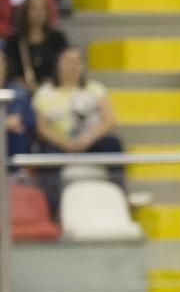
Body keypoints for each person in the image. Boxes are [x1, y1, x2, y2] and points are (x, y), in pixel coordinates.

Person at [32, 47, 124, 213]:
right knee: (46, 154)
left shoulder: (95, 89)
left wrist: (88, 138)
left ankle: (121, 197)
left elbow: (109, 120)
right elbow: (41, 128)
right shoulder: (44, 93)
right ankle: (52, 208)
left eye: (77, 62)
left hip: (90, 141)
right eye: (68, 61)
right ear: (58, 65)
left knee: (113, 145)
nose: (72, 66)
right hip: (59, 143)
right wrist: (64, 143)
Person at [4, 0, 64, 91]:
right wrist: (22, 83)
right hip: (22, 90)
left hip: (52, 88)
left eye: (42, 8)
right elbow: (8, 70)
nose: (38, 12)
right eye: (33, 8)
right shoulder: (13, 41)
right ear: (25, 11)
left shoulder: (57, 38)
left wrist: (51, 82)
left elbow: (63, 65)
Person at [0, 51, 34, 166]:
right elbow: (10, 122)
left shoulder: (18, 91)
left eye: (1, 62)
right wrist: (5, 123)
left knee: (17, 136)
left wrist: (7, 124)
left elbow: (18, 122)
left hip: (13, 152)